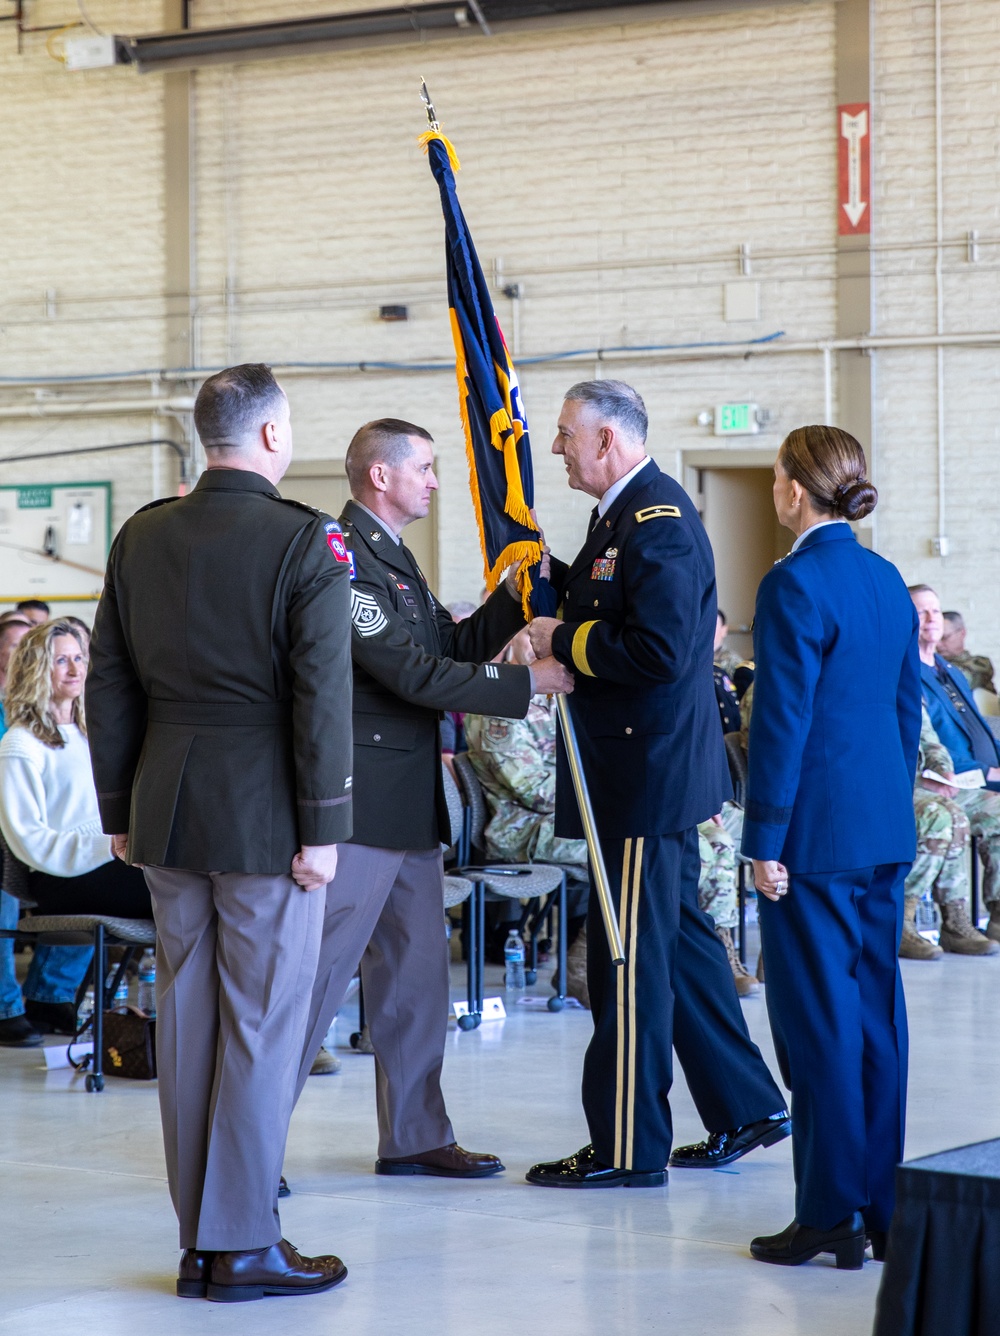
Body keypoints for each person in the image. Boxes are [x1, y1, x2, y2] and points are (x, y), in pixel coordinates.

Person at [86, 364, 354, 1304]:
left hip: (165, 807)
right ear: (274, 436)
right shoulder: (306, 542)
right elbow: (323, 694)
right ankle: (243, 1245)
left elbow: (108, 684)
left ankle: (201, 1241)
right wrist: (325, 826)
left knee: (190, 1021)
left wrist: (119, 809)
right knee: (263, 1025)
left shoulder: (141, 534)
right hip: (269, 817)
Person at [290, 417, 573, 1184]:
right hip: (357, 809)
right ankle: (250, 1144)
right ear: (380, 476)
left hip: (410, 808)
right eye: (425, 467)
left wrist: (514, 599)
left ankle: (415, 1134)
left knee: (416, 980)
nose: (437, 480)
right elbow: (407, 675)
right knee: (312, 983)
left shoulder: (395, 560)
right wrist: (527, 683)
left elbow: (444, 653)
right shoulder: (339, 556)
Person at [522, 379, 788, 1189]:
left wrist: (560, 634)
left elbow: (664, 651)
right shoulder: (620, 518)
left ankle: (627, 1146)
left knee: (625, 960)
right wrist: (539, 576)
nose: (557, 448)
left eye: (566, 434)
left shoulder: (658, 519)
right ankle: (748, 1106)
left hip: (641, 774)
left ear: (608, 440)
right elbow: (611, 602)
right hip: (636, 768)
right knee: (683, 945)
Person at [743, 424, 920, 1269]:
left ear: (792, 488)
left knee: (818, 1027)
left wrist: (763, 838)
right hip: (882, 830)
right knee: (877, 1020)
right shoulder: (887, 579)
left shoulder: (792, 585)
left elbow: (781, 723)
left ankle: (826, 1216)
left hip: (812, 838)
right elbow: (905, 713)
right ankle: (884, 1209)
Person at [0, 617, 94, 1046]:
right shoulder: (21, 743)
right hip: (59, 876)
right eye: (62, 661)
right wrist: (108, 849)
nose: (75, 669)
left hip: (102, 864)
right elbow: (30, 841)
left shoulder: (92, 735)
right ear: (38, 668)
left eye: (79, 658)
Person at [910, 584, 1000, 944]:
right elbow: (930, 747)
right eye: (921, 612)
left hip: (976, 777)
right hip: (939, 780)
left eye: (936, 611)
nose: (933, 619)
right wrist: (986, 773)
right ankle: (951, 921)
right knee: (959, 815)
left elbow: (979, 733)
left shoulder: (951, 672)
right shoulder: (904, 673)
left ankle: (997, 914)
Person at [900, 706, 995, 959]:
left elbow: (930, 740)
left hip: (926, 780)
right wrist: (918, 780)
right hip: (898, 782)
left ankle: (960, 923)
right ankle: (901, 920)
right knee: (941, 817)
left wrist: (942, 770)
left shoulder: (905, 683)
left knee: (978, 812)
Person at [940, 610, 997, 694]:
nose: (938, 644)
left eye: (944, 637)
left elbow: (961, 679)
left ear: (962, 633)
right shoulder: (931, 664)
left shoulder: (981, 664)